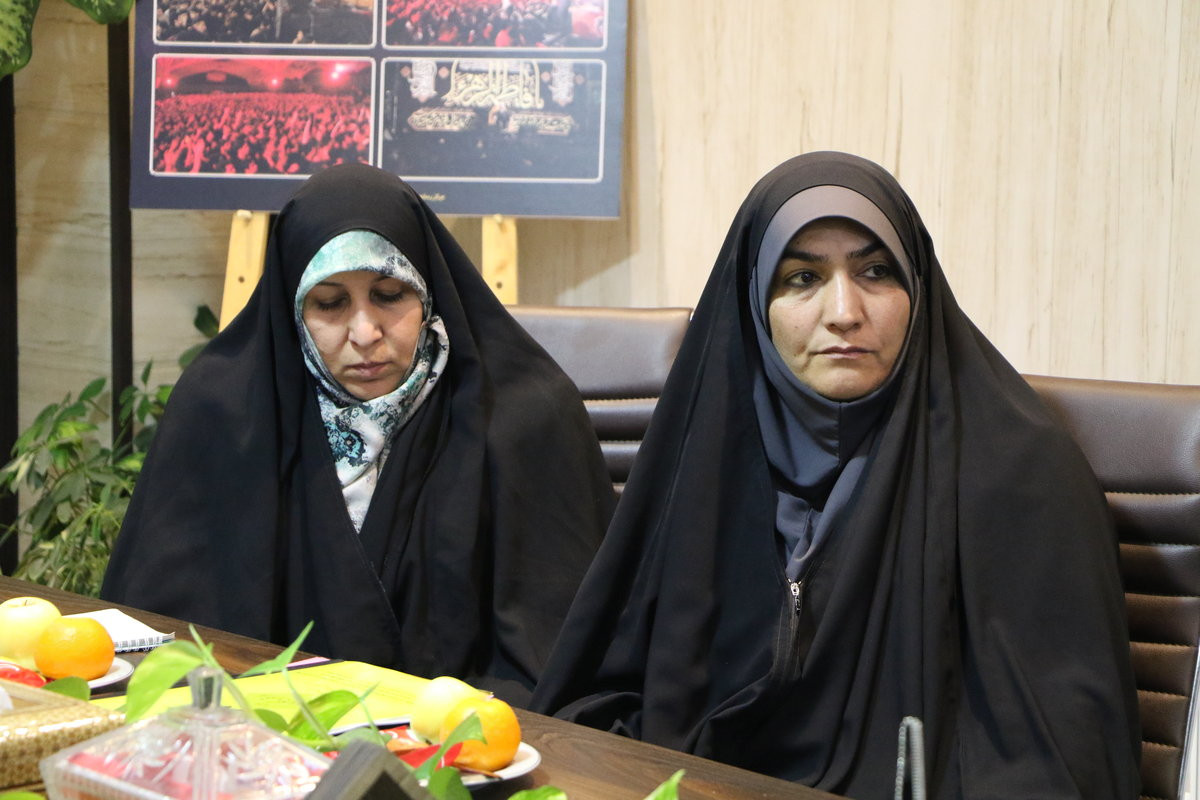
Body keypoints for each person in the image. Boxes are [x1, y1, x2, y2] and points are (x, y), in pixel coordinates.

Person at [531, 151, 1140, 797]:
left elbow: (1065, 762)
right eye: (802, 278)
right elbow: (595, 702)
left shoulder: (1024, 475)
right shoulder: (697, 460)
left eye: (876, 271)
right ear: (754, 302)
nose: (844, 311)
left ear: (919, 288)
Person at [102, 163, 614, 704]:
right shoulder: (222, 413)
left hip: (466, 733)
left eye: (390, 295)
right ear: (293, 306)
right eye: (330, 303)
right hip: (261, 729)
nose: (365, 333)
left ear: (429, 291)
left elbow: (567, 656)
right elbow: (161, 646)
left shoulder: (523, 415)